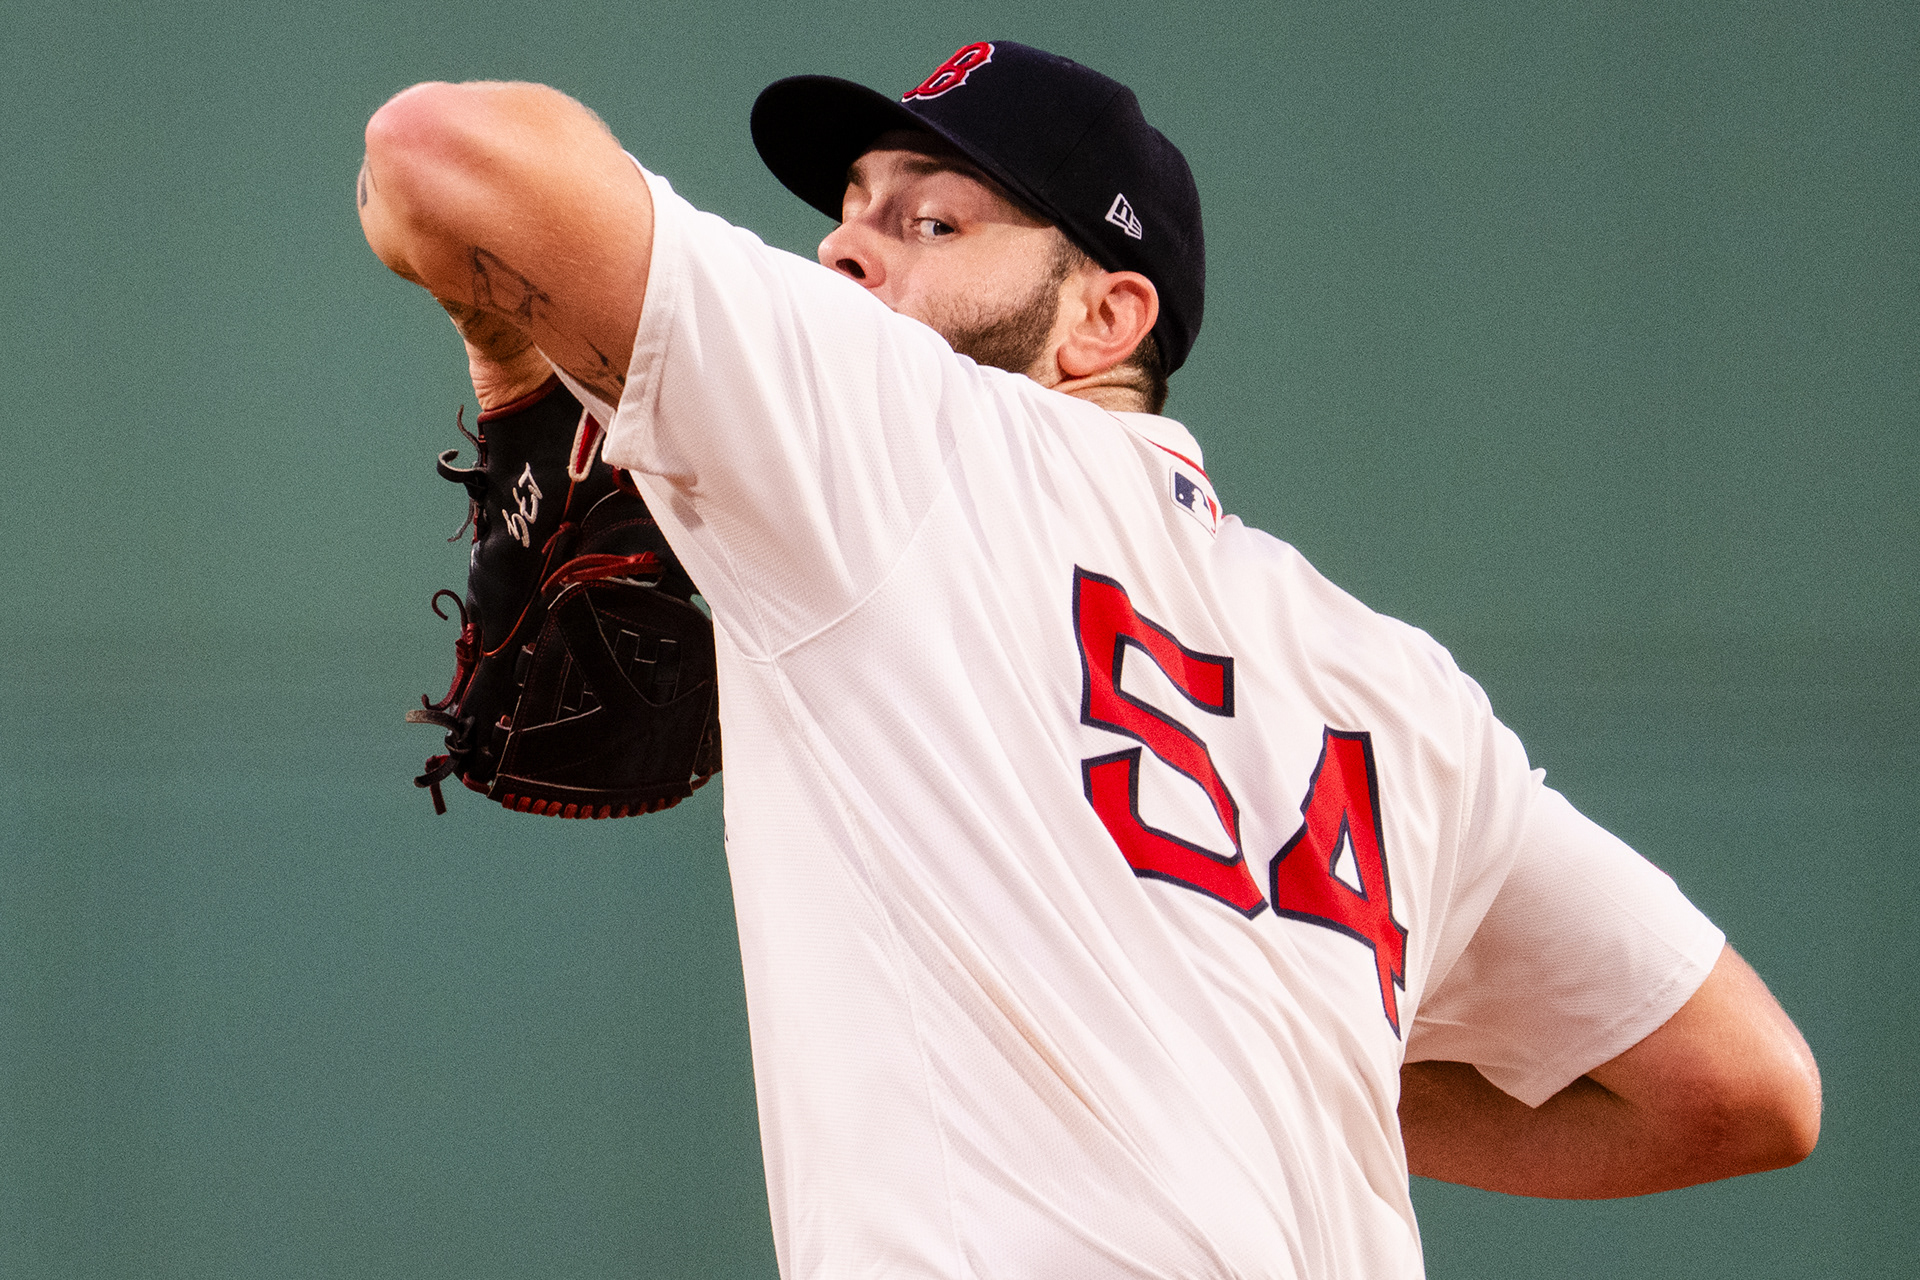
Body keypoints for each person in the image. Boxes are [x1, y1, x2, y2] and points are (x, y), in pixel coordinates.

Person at [357, 40, 1819, 1279]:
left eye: (934, 223)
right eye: (852, 212)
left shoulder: (906, 432)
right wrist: (1288, 1069)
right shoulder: (1403, 692)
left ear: (1105, 317)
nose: (849, 248)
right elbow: (1745, 1090)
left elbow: (437, 150)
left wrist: (507, 346)